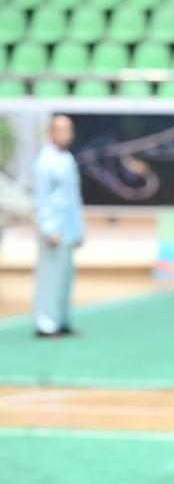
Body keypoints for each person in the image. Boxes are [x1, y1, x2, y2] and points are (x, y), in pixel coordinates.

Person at [33, 115, 84, 337]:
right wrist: (48, 228)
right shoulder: (45, 160)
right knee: (50, 278)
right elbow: (42, 198)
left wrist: (78, 229)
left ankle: (62, 321)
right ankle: (46, 324)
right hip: (53, 229)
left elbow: (73, 197)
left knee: (65, 277)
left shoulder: (67, 158)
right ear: (52, 132)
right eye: (62, 129)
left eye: (69, 129)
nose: (67, 134)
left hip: (68, 229)